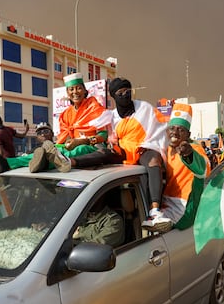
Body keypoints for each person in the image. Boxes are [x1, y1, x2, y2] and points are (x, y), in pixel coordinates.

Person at [71, 77, 169, 226]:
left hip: (144, 148)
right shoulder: (111, 116)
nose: (125, 95)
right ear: (113, 96)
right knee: (104, 154)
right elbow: (109, 137)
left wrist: (148, 145)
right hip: (123, 151)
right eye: (120, 92)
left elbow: (159, 130)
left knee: (153, 161)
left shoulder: (145, 108)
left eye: (127, 91)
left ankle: (154, 211)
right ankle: (70, 162)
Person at [145, 103, 211, 232]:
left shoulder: (195, 148)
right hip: (164, 204)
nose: (175, 132)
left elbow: (204, 168)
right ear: (167, 131)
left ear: (188, 134)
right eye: (172, 128)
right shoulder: (166, 149)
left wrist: (189, 154)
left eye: (180, 130)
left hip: (184, 208)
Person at [56, 72, 112, 155]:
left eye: (78, 88)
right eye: (71, 89)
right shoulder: (65, 114)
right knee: (54, 151)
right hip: (71, 147)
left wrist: (85, 141)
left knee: (80, 149)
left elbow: (104, 134)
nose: (75, 92)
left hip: (92, 146)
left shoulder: (93, 107)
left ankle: (56, 160)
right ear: (68, 93)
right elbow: (64, 136)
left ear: (85, 91)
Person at [0, 122, 71, 174]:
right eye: (40, 133)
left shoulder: (60, 145)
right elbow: (22, 158)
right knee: (34, 154)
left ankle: (5, 163)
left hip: (61, 162)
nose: (43, 134)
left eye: (46, 131)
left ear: (52, 134)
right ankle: (38, 163)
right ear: (37, 137)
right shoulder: (31, 151)